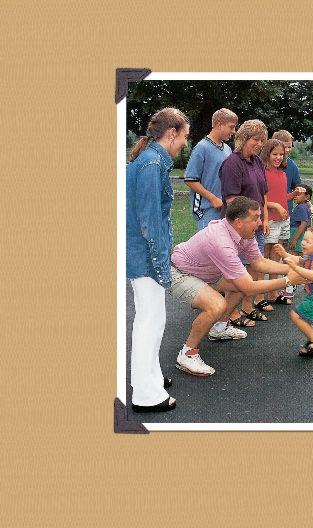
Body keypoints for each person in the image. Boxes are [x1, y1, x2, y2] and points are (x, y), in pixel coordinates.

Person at [167, 197, 308, 376]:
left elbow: (259, 263)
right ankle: (187, 354)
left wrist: (293, 269)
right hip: (180, 274)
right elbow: (249, 287)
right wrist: (289, 280)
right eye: (256, 218)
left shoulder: (243, 234)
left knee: (240, 284)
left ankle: (219, 328)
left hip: (206, 273)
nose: (260, 222)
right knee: (217, 304)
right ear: (239, 221)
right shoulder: (220, 241)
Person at [126, 108, 190, 413]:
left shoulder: (150, 160)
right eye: (185, 136)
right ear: (172, 132)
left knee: (150, 319)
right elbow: (149, 221)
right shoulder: (152, 164)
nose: (185, 144)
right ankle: (145, 395)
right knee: (150, 321)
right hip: (146, 255)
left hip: (142, 253)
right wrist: (159, 263)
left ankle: (149, 379)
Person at [219, 119, 269, 326]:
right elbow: (232, 200)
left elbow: (263, 193)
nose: (259, 144)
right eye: (256, 140)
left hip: (255, 226)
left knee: (253, 267)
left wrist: (263, 219)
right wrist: (248, 222)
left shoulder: (257, 161)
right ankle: (230, 313)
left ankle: (247, 306)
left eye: (262, 141)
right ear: (243, 138)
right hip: (237, 228)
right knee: (234, 272)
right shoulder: (232, 163)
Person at [258, 138, 304, 309]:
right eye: (274, 154)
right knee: (265, 256)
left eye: (281, 154)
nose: (278, 157)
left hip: (284, 219)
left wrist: (293, 195)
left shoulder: (283, 174)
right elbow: (262, 199)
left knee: (276, 255)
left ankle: (273, 292)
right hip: (270, 220)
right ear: (267, 154)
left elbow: (281, 197)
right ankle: (260, 295)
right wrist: (274, 207)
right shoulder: (263, 173)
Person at [274, 226, 313, 358]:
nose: (303, 243)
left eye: (308, 241)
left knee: (295, 315)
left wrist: (295, 268)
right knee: (301, 317)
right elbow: (297, 260)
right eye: (304, 240)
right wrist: (284, 254)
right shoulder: (311, 256)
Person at [184, 108, 238, 230]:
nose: (233, 131)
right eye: (231, 127)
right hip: (208, 209)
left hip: (225, 210)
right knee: (208, 248)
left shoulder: (227, 149)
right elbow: (190, 179)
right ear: (219, 124)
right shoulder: (202, 147)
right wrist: (213, 199)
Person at [272, 130, 301, 298]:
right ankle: (264, 287)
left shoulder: (292, 166)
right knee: (265, 252)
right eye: (285, 147)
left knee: (280, 250)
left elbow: (298, 188)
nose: (287, 151)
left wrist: (308, 203)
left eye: (290, 147)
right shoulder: (265, 164)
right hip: (268, 216)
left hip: (284, 216)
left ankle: (282, 286)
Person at [287, 184, 313, 256]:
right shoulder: (303, 206)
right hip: (297, 233)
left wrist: (294, 239)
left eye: (298, 194)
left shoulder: (302, 207)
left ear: (307, 196)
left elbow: (303, 224)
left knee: (292, 256)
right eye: (294, 194)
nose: (295, 196)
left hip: (297, 233)